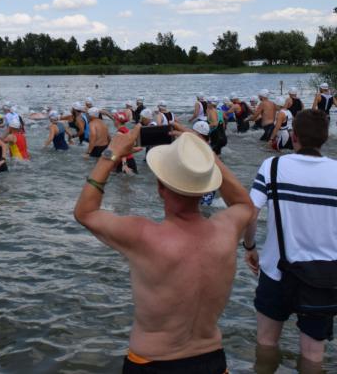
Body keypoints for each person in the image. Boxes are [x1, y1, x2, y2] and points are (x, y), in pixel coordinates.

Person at [74, 129, 254, 372]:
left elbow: (85, 212)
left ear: (160, 187)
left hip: (153, 362)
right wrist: (204, 155)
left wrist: (111, 154)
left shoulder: (143, 236)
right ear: (205, 188)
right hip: (212, 361)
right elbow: (244, 203)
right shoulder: (226, 231)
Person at [243, 109, 337, 371]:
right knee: (313, 353)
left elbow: (250, 214)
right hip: (325, 276)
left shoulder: (272, 166)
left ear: (294, 136)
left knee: (266, 342)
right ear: (325, 138)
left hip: (277, 271)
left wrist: (250, 247)